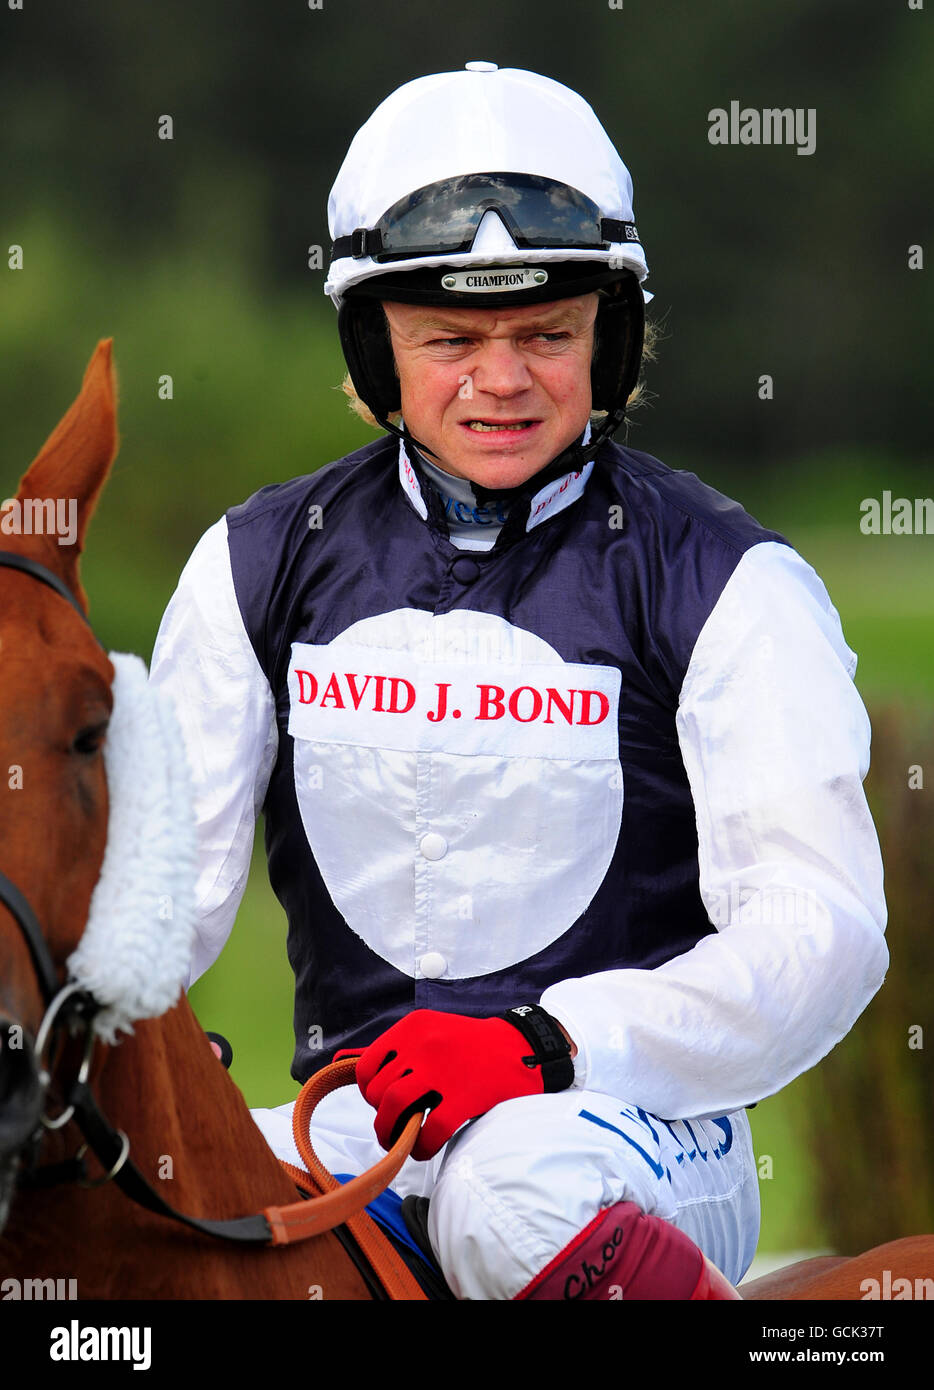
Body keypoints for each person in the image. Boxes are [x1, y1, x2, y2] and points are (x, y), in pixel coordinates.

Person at [148, 63, 888, 1300]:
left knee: (509, 1187)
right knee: (133, 1214)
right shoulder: (250, 565)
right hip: (355, 1124)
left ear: (614, 334)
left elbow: (825, 932)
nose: (502, 381)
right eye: (450, 341)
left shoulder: (730, 579)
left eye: (547, 334)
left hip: (636, 1131)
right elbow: (154, 913)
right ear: (372, 349)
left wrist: (547, 1046)